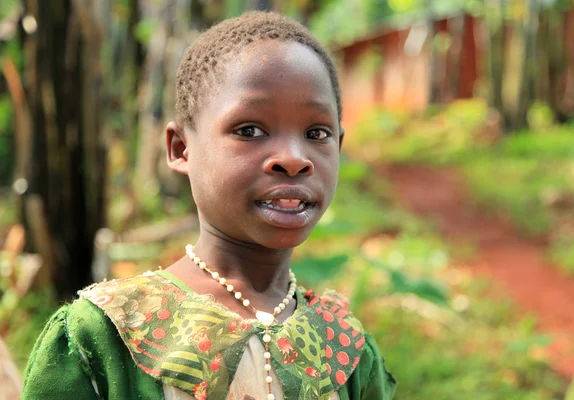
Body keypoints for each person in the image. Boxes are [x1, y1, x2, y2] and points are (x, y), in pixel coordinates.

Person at [21, 11, 396, 400]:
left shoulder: (345, 351)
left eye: (317, 133)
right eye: (250, 130)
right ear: (181, 149)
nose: (293, 157)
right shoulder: (103, 335)